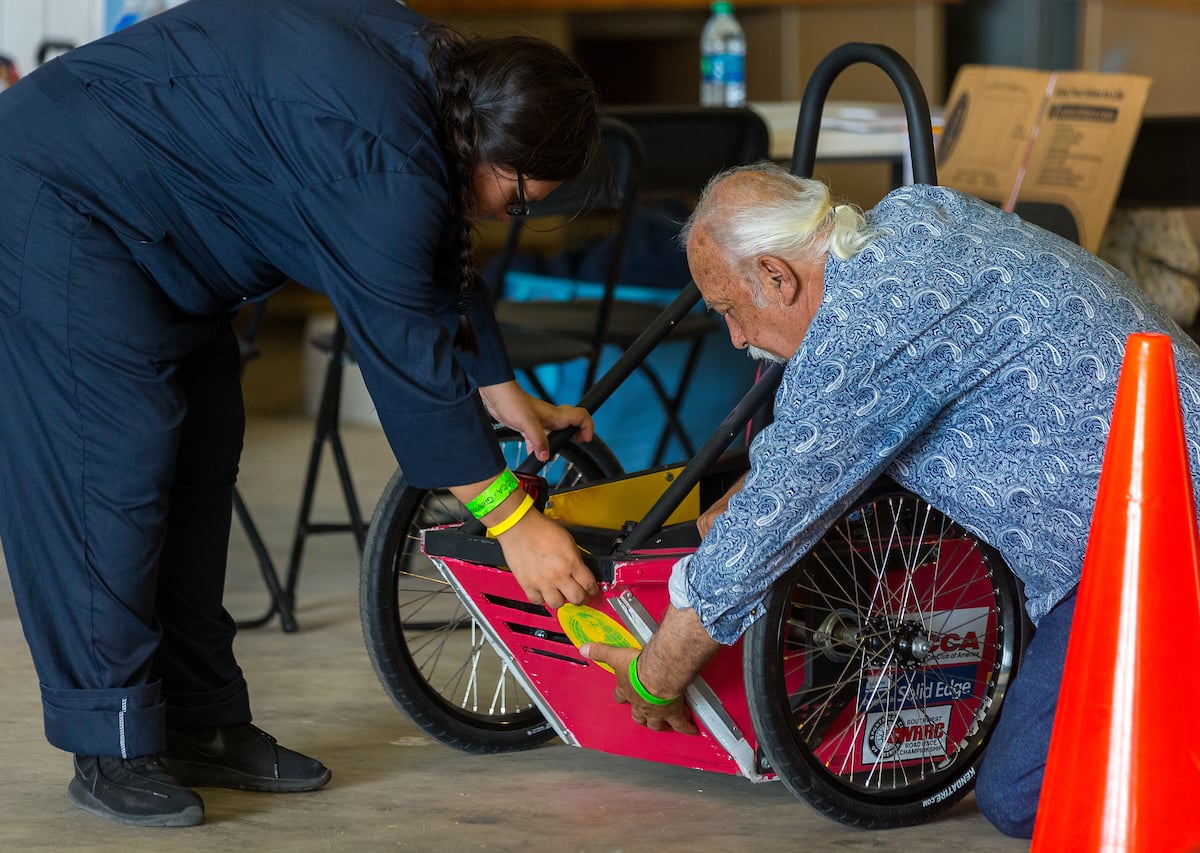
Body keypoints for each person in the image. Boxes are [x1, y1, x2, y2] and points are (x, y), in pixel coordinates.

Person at [0, 0, 603, 828]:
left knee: (203, 454)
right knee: (110, 466)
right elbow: (401, 347)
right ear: (491, 143)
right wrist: (510, 521)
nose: (509, 214)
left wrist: (502, 387)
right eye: (521, 194)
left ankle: (201, 723)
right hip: (59, 192)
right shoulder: (384, 154)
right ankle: (110, 741)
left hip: (159, 225)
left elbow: (434, 254)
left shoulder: (438, 90)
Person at [581, 162, 1200, 838]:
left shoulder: (864, 331)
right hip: (1138, 510)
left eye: (732, 308)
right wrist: (754, 495)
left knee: (1025, 793)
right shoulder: (908, 218)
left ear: (778, 277)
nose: (735, 336)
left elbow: (763, 533)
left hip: (1159, 540)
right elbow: (815, 455)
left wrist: (653, 674)